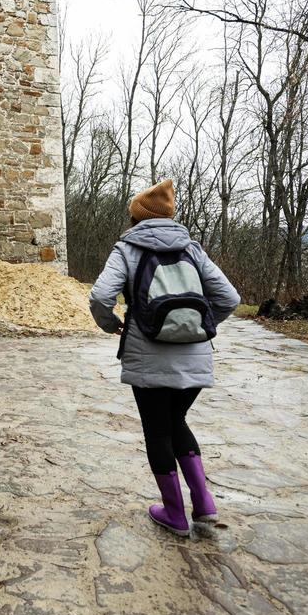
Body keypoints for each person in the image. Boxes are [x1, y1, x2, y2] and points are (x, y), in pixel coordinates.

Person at [89, 179, 240, 538]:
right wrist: (200, 327)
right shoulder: (193, 249)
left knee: (158, 430)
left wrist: (116, 326)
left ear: (136, 218)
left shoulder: (127, 249)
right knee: (176, 423)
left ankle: (174, 513)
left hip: (149, 357)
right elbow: (229, 298)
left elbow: (100, 297)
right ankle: (203, 505)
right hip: (195, 358)